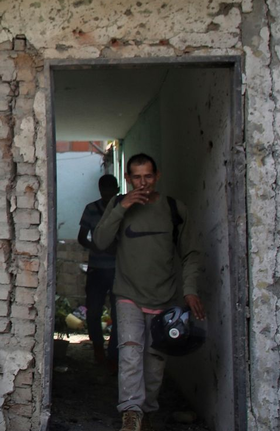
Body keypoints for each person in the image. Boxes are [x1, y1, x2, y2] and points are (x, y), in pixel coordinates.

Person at [92, 154, 204, 431]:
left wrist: (190, 291)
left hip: (164, 297)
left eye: (148, 177)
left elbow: (190, 253)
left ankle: (147, 411)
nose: (143, 183)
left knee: (154, 362)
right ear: (128, 179)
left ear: (158, 176)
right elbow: (100, 241)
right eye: (137, 178)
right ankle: (130, 414)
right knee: (130, 352)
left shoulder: (174, 209)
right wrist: (122, 207)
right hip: (127, 293)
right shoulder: (119, 204)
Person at [77, 174, 119, 368]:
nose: (108, 194)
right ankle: (98, 349)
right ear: (100, 190)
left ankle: (114, 352)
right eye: (104, 190)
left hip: (119, 269)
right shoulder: (91, 209)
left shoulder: (122, 208)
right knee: (93, 311)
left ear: (117, 190)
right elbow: (81, 237)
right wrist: (98, 247)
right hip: (96, 269)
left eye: (111, 190)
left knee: (119, 313)